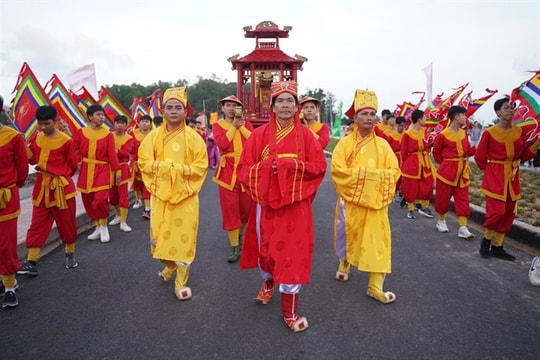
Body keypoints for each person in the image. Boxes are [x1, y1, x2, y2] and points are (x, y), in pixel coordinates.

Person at [238, 81, 327, 332]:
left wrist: (289, 169)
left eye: (290, 101)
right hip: (266, 206)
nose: (286, 105)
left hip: (296, 207)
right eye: (281, 101)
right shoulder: (258, 136)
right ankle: (267, 283)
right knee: (265, 250)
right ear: (273, 107)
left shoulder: (307, 136)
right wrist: (270, 171)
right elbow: (244, 170)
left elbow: (319, 167)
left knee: (293, 256)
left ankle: (289, 311)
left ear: (297, 107)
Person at [138, 86, 208, 301]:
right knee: (158, 238)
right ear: (163, 111)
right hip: (161, 196)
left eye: (179, 107)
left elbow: (201, 166)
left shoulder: (195, 138)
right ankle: (169, 267)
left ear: (185, 112)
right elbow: (143, 161)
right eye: (169, 107)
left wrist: (176, 171)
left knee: (182, 239)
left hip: (185, 197)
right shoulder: (152, 138)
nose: (174, 111)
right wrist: (165, 169)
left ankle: (181, 282)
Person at [331, 89, 400, 305]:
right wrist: (371, 179)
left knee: (378, 242)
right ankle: (344, 263)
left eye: (372, 114)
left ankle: (375, 286)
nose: (369, 118)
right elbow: (338, 171)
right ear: (355, 117)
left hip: (376, 204)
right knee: (347, 234)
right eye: (364, 113)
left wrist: (368, 181)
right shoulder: (344, 144)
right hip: (350, 202)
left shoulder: (383, 145)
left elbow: (394, 171)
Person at [474, 97, 540, 261]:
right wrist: (492, 171)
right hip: (495, 176)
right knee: (496, 212)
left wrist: (537, 142)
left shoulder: (519, 132)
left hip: (512, 177)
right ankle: (486, 241)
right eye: (506, 108)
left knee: (509, 212)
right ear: (498, 112)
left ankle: (498, 246)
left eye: (512, 107)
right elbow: (480, 158)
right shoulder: (489, 133)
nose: (510, 110)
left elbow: (524, 156)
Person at [17, 105, 79, 279]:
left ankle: (70, 254)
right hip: (42, 188)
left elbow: (72, 166)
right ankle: (32, 261)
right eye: (40, 124)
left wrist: (60, 176)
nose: (43, 127)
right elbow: (31, 159)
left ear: (55, 121)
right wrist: (22, 143)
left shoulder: (66, 140)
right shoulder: (37, 138)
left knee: (66, 223)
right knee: (37, 224)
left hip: (62, 188)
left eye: (47, 123)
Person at [212, 95, 254, 263]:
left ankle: (240, 234)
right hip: (227, 172)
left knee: (247, 210)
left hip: (245, 170)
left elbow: (253, 141)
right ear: (222, 108)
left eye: (235, 106)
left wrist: (240, 126)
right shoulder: (217, 126)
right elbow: (222, 144)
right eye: (228, 105)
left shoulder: (247, 124)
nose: (231, 108)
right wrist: (233, 127)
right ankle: (235, 246)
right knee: (230, 211)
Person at [73, 104, 121, 243]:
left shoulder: (108, 135)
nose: (101, 117)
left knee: (100, 199)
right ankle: (97, 226)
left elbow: (112, 155)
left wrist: (117, 171)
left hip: (102, 170)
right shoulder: (81, 132)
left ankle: (104, 225)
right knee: (87, 200)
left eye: (102, 115)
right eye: (98, 114)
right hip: (86, 169)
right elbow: (73, 149)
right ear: (90, 117)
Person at [0, 94, 29, 308]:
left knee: (6, 244)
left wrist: (11, 188)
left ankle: (10, 286)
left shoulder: (12, 137)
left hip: (6, 198)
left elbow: (22, 170)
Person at [432, 106, 476, 238]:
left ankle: (463, 227)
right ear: (456, 117)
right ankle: (441, 221)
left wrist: (477, 148)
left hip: (462, 171)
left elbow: (467, 151)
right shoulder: (442, 135)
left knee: (463, 199)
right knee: (443, 197)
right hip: (447, 171)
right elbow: (436, 154)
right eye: (463, 115)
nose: (465, 117)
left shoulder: (464, 133)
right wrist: (447, 164)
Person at [400, 109, 435, 219]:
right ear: (419, 119)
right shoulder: (407, 134)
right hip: (412, 162)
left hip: (425, 162)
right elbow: (404, 152)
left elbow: (428, 144)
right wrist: (407, 164)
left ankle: (425, 207)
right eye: (424, 118)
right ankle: (410, 209)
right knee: (411, 186)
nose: (425, 120)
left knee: (428, 184)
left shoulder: (425, 131)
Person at [108, 115, 134, 232]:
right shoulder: (109, 136)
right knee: (112, 196)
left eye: (123, 123)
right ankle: (118, 215)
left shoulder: (129, 138)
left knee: (123, 195)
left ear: (126, 125)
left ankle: (123, 221)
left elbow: (125, 153)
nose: (120, 125)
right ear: (114, 124)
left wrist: (113, 151)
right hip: (110, 169)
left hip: (122, 168)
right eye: (118, 122)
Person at [130, 114, 152, 218]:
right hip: (136, 165)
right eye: (143, 122)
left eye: (147, 122)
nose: (144, 124)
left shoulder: (154, 135)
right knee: (137, 185)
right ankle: (138, 200)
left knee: (147, 186)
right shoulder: (134, 134)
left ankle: (147, 209)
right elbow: (131, 150)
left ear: (150, 124)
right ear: (139, 123)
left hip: (149, 165)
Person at [386, 116, 406, 202]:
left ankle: (402, 192)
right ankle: (394, 192)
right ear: (397, 125)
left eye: (403, 126)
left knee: (404, 176)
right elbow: (388, 149)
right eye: (400, 125)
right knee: (395, 175)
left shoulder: (406, 134)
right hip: (395, 158)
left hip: (404, 157)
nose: (402, 127)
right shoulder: (391, 136)